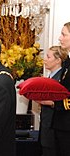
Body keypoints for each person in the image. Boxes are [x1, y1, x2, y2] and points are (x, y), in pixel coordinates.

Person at [35, 46, 68, 156]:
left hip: (54, 132)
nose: (45, 59)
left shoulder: (61, 80)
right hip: (46, 130)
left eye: (48, 57)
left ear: (58, 60)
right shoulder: (50, 78)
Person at [52, 22, 70, 156]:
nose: (60, 38)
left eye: (64, 34)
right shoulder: (67, 62)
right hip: (62, 124)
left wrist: (54, 102)